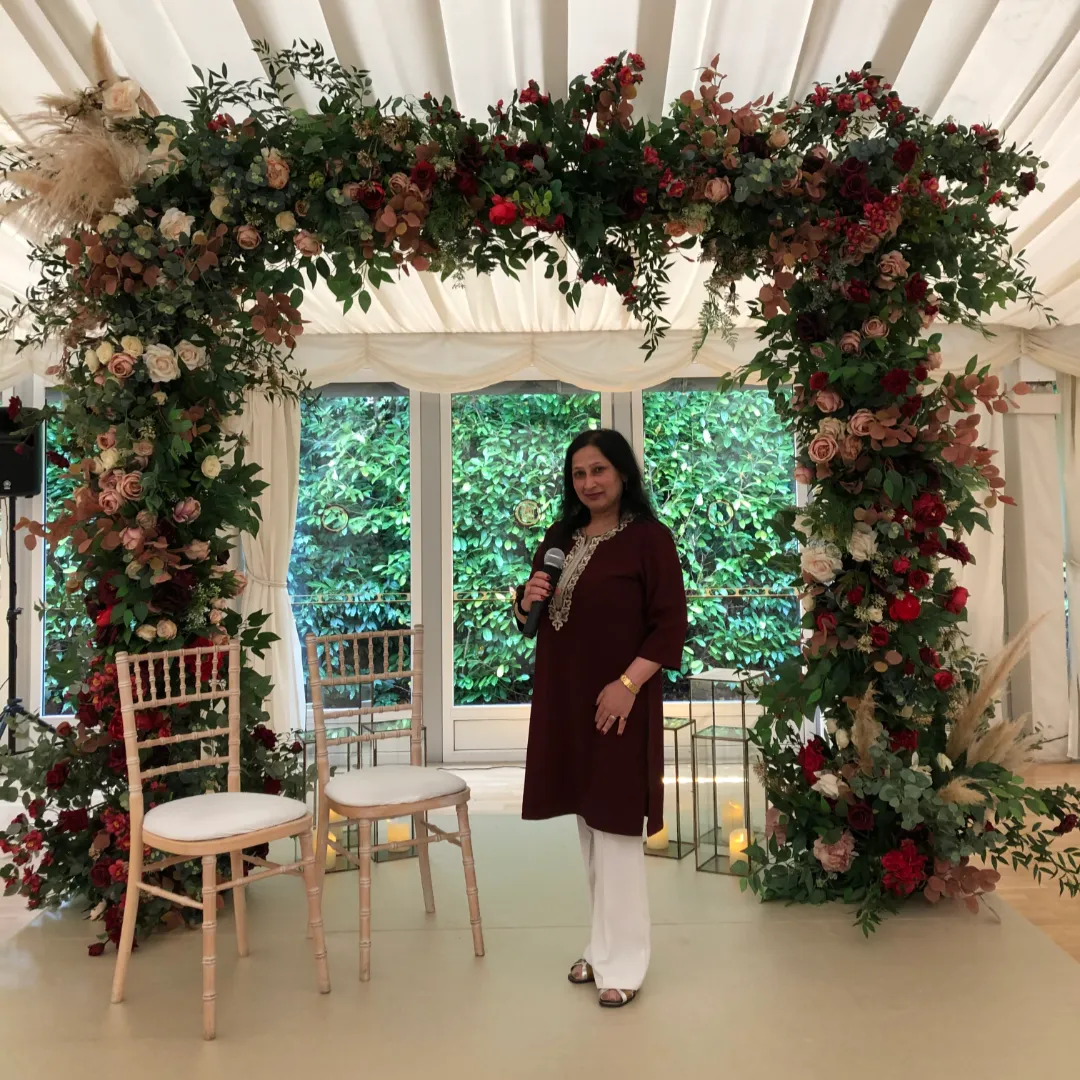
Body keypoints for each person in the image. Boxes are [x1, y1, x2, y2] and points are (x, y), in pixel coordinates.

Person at [513, 428, 687, 1009]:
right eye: (579, 473)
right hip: (566, 702)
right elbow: (538, 618)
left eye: (599, 471)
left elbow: (669, 628)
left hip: (619, 705)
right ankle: (601, 943)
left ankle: (626, 962)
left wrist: (628, 684)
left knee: (615, 829)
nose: (588, 482)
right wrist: (524, 600)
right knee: (589, 827)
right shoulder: (560, 537)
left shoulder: (649, 540)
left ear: (623, 474)